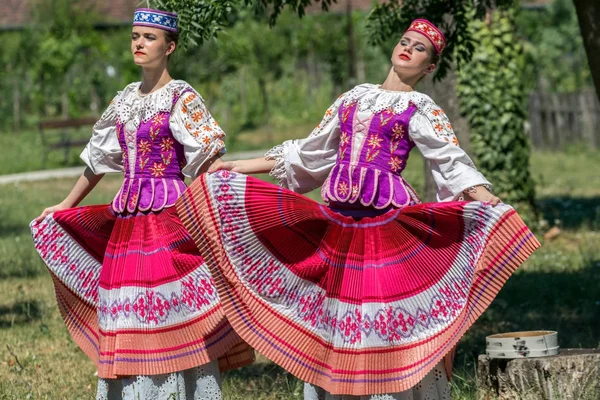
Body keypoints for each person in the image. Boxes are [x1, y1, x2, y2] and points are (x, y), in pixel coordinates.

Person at [176, 18, 540, 399]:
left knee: (376, 318)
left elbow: (449, 159)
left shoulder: (420, 107)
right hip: (339, 223)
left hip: (385, 226)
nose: (408, 49)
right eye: (405, 41)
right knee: (335, 315)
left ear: (429, 67)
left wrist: (484, 197)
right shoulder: (354, 97)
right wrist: (237, 167)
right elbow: (311, 151)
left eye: (419, 49)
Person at [30, 8, 252, 400]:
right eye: (135, 36)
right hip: (128, 221)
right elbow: (96, 161)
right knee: (129, 308)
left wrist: (235, 195)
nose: (138, 43)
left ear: (170, 47)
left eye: (149, 37)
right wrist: (64, 205)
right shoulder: (123, 100)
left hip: (169, 217)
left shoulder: (182, 96)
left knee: (169, 309)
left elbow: (207, 161)